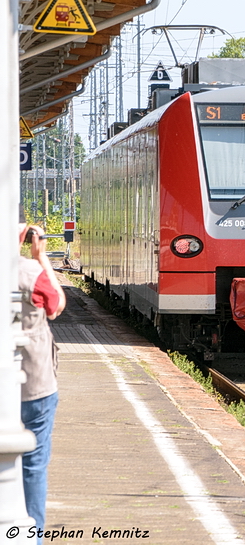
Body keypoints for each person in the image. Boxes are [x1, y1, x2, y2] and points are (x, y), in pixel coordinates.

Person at [17, 215, 66, 538]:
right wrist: (41, 257)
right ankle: (32, 536)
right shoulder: (30, 272)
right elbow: (57, 305)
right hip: (34, 383)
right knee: (33, 465)